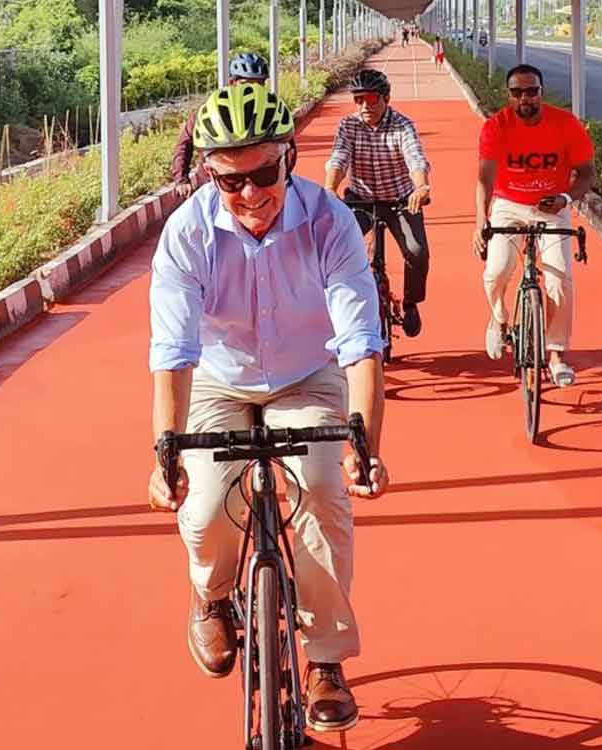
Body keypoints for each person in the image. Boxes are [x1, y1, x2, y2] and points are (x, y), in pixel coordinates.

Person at [148, 82, 390, 734]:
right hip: (219, 383)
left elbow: (361, 342)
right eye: (231, 182)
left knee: (320, 488)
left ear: (289, 158)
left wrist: (366, 447)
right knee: (204, 505)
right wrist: (165, 452)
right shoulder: (187, 232)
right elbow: (173, 351)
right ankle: (212, 597)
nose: (251, 194)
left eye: (264, 175)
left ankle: (326, 660)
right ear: (210, 175)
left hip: (306, 377)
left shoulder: (329, 222)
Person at [472, 64, 597, 387]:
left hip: (552, 207)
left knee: (560, 278)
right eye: (517, 92)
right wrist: (481, 220)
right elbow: (484, 179)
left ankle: (556, 354)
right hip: (509, 206)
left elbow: (587, 173)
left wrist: (565, 200)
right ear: (508, 95)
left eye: (531, 91)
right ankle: (499, 319)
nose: (524, 98)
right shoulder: (496, 127)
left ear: (541, 92)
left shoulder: (565, 124)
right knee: (496, 271)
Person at [324, 68, 432, 339]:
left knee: (417, 251)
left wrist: (421, 187)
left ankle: (411, 303)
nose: (364, 106)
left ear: (386, 98)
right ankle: (342, 303)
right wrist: (330, 189)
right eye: (358, 99)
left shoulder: (402, 125)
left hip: (400, 201)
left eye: (371, 98)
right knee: (334, 247)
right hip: (360, 200)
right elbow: (339, 158)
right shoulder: (348, 125)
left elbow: (415, 158)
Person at [171, 52, 270, 199]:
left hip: (257, 186)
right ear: (232, 83)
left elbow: (286, 146)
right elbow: (184, 145)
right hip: (214, 185)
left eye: (258, 85)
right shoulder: (209, 111)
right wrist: (181, 180)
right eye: (246, 84)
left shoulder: (269, 112)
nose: (251, 90)